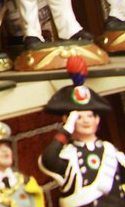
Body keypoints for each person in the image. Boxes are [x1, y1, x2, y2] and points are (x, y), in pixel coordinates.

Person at [39, 57, 125, 204]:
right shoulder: (69, 155)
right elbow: (48, 159)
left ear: (97, 120)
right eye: (79, 117)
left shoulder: (110, 151)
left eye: (90, 116)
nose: (86, 121)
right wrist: (67, 130)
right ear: (68, 120)